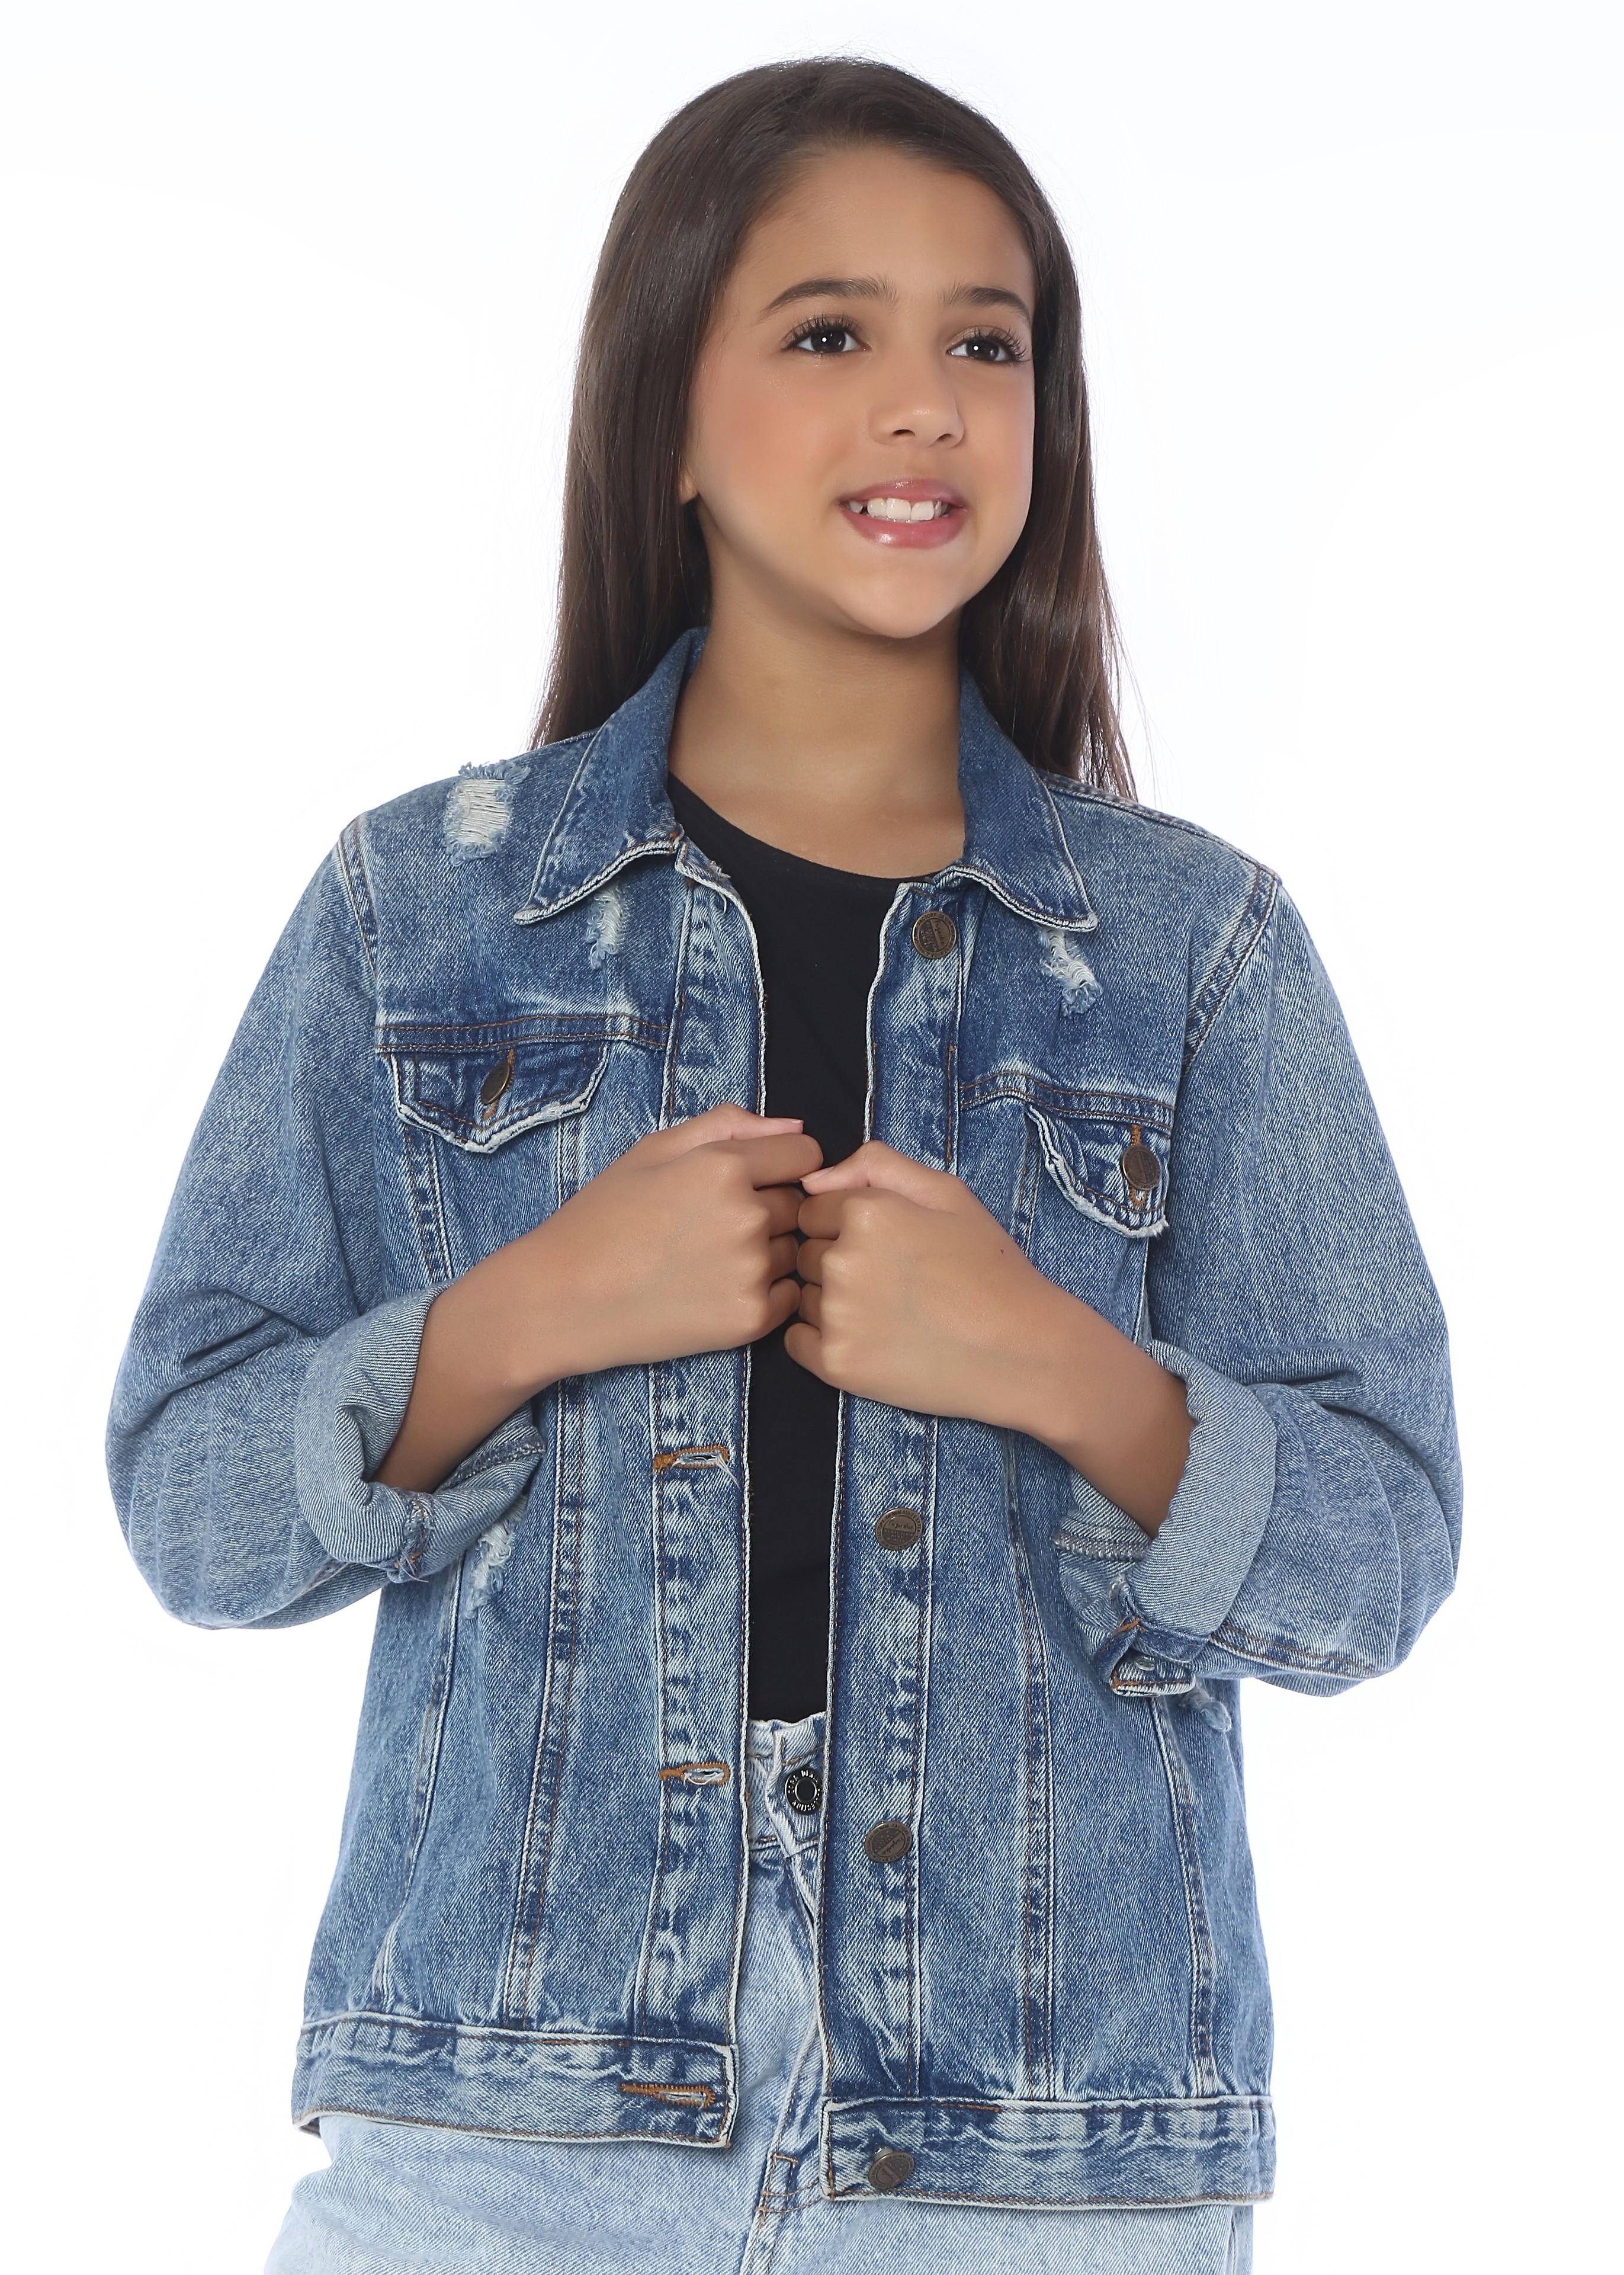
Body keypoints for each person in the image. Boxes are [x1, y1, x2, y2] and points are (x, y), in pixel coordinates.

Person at [108, 56, 1461, 2275]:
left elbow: (1383, 1548)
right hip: (508, 2124)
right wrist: (526, 1313)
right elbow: (190, 1501)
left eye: (986, 345)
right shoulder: (418, 914)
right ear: (670, 410)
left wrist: (1056, 1366)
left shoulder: (1197, 952)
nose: (924, 404)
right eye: (830, 332)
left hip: (1044, 2153)